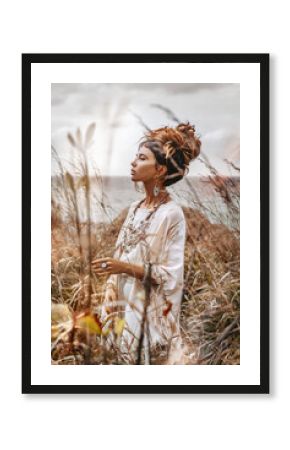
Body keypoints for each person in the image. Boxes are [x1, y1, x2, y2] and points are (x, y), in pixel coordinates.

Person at [92, 122, 201, 364]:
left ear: (160, 170)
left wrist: (122, 267)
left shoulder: (171, 214)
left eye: (141, 158)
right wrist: (110, 291)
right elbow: (121, 255)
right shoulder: (134, 208)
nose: (133, 163)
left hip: (147, 316)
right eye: (135, 157)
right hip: (121, 307)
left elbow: (172, 277)